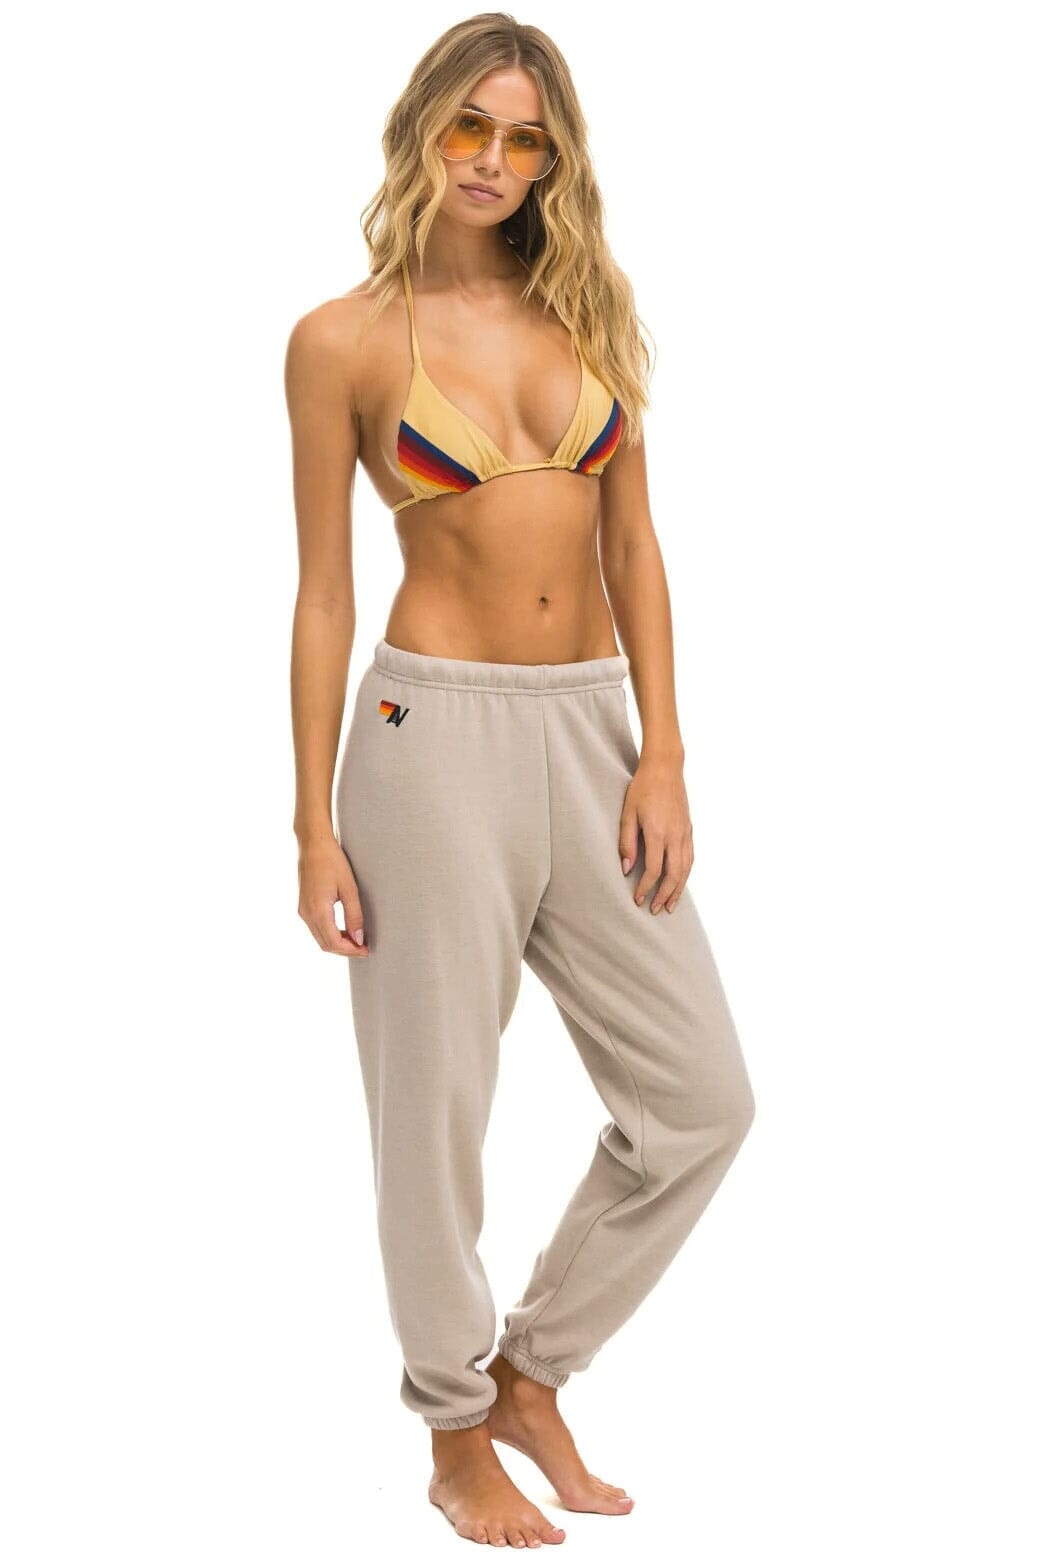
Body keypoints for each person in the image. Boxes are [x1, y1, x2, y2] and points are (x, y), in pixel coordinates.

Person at [284, 14, 755, 1550]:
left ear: (556, 160)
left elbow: (635, 547)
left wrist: (664, 750)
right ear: (422, 127)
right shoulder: (344, 342)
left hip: (593, 731)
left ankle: (532, 1371)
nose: (493, 159)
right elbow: (325, 594)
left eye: (526, 138)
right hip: (429, 741)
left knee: (701, 1099)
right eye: (470, 126)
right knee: (435, 1113)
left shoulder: (590, 312)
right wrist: (312, 825)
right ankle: (451, 1431)